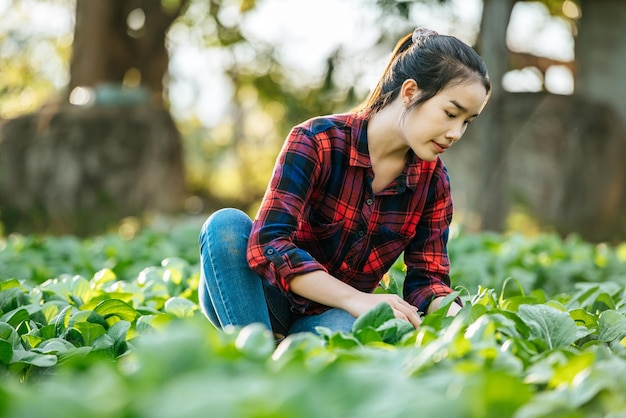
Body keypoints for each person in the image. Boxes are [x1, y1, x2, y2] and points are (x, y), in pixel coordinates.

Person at [198, 28, 491, 339]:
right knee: (224, 225)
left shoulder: (433, 182)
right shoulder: (316, 141)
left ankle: (276, 357)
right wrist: (357, 298)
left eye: (466, 122)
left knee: (343, 328)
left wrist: (467, 326)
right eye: (450, 113)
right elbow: (269, 243)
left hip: (334, 316)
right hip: (262, 301)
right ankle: (254, 355)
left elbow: (428, 280)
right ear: (409, 92)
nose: (456, 133)